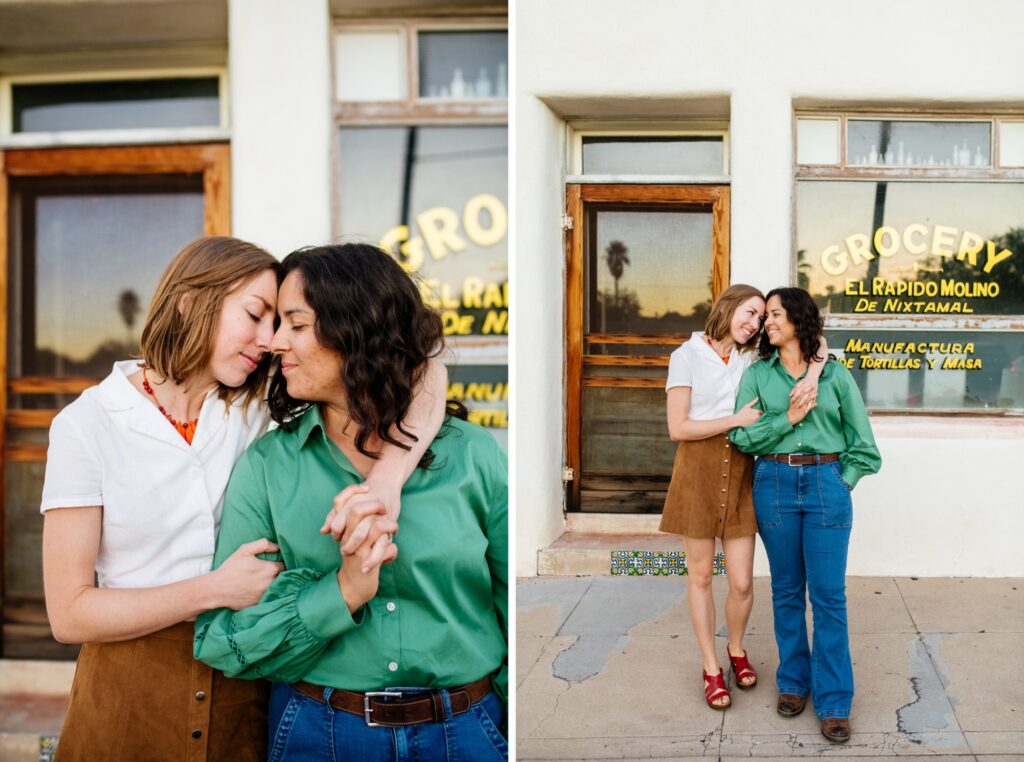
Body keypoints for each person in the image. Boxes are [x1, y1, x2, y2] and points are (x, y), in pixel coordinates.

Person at [41, 236, 446, 762]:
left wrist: (386, 482)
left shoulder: (256, 405)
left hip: (248, 674)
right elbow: (69, 614)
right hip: (130, 682)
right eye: (255, 315)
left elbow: (427, 371)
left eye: (279, 322)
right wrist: (212, 589)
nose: (269, 339)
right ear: (191, 302)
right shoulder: (86, 424)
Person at [193, 243, 508, 761]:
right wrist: (340, 593)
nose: (274, 343)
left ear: (356, 328)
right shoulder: (268, 467)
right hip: (318, 734)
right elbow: (227, 641)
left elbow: (510, 604)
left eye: (296, 324)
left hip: (470, 730)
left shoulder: (474, 456)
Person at [729, 287, 881, 744]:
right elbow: (743, 438)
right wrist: (789, 421)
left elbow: (865, 447)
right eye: (765, 316)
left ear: (798, 319)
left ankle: (835, 700)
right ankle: (793, 682)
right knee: (787, 592)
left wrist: (842, 481)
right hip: (773, 485)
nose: (766, 323)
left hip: (825, 485)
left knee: (830, 597)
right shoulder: (757, 375)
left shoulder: (834, 376)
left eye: (775, 314)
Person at [661, 284, 823, 711]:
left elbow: (817, 342)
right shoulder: (686, 355)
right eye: (749, 313)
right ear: (728, 308)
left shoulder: (755, 355)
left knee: (742, 581)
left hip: (744, 471)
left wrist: (812, 375)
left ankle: (736, 648)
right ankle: (712, 668)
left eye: (760, 316)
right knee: (699, 577)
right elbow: (678, 428)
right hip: (698, 468)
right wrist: (733, 419)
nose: (754, 323)